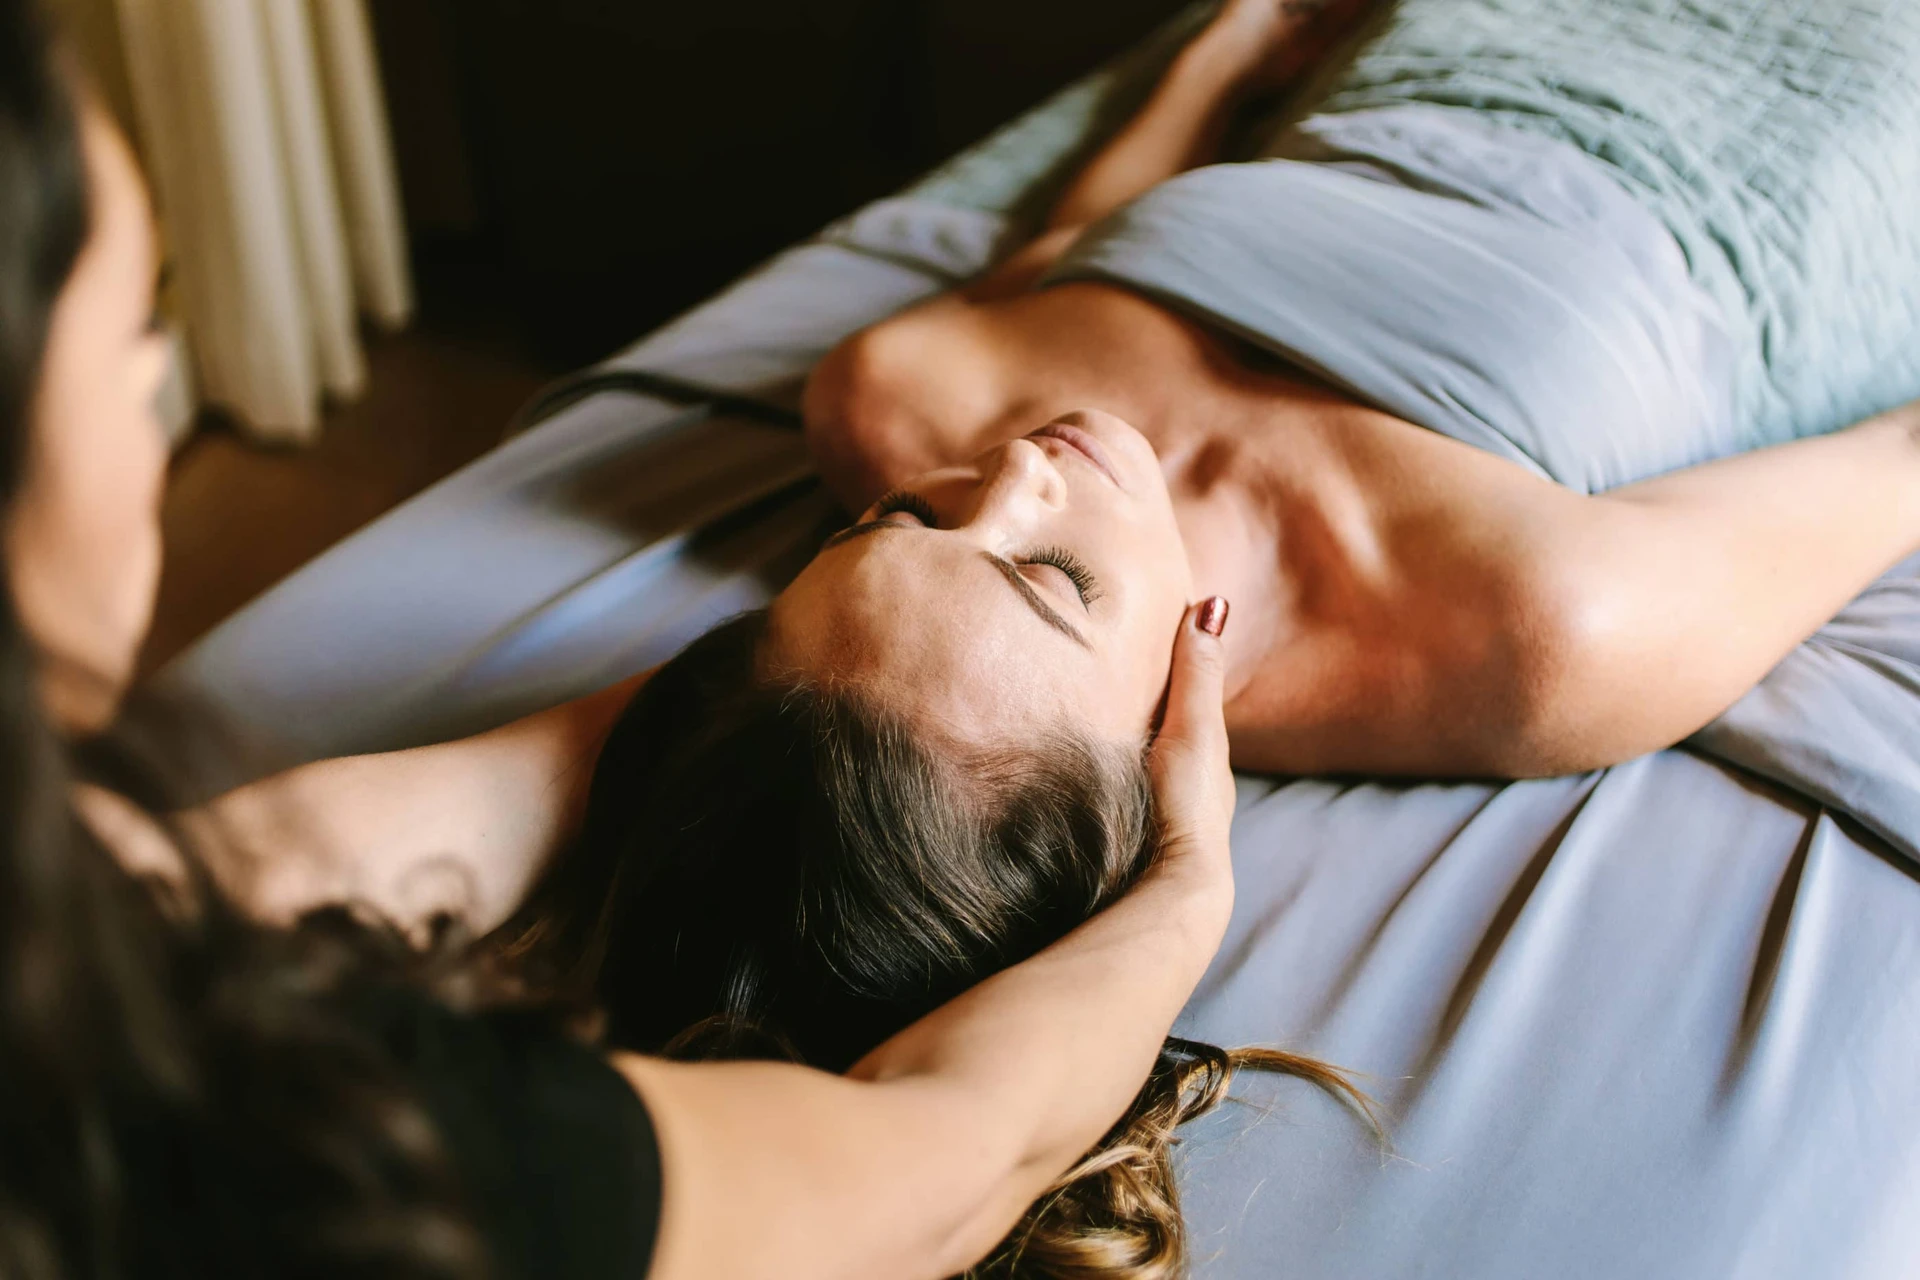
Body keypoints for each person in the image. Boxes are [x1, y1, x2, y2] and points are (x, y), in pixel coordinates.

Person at [0, 3, 1281, 1277]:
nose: (157, 391)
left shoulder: (68, 934)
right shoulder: (450, 1158)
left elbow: (246, 874)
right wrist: (1189, 880)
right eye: (130, 341)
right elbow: (951, 1149)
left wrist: (775, 695)